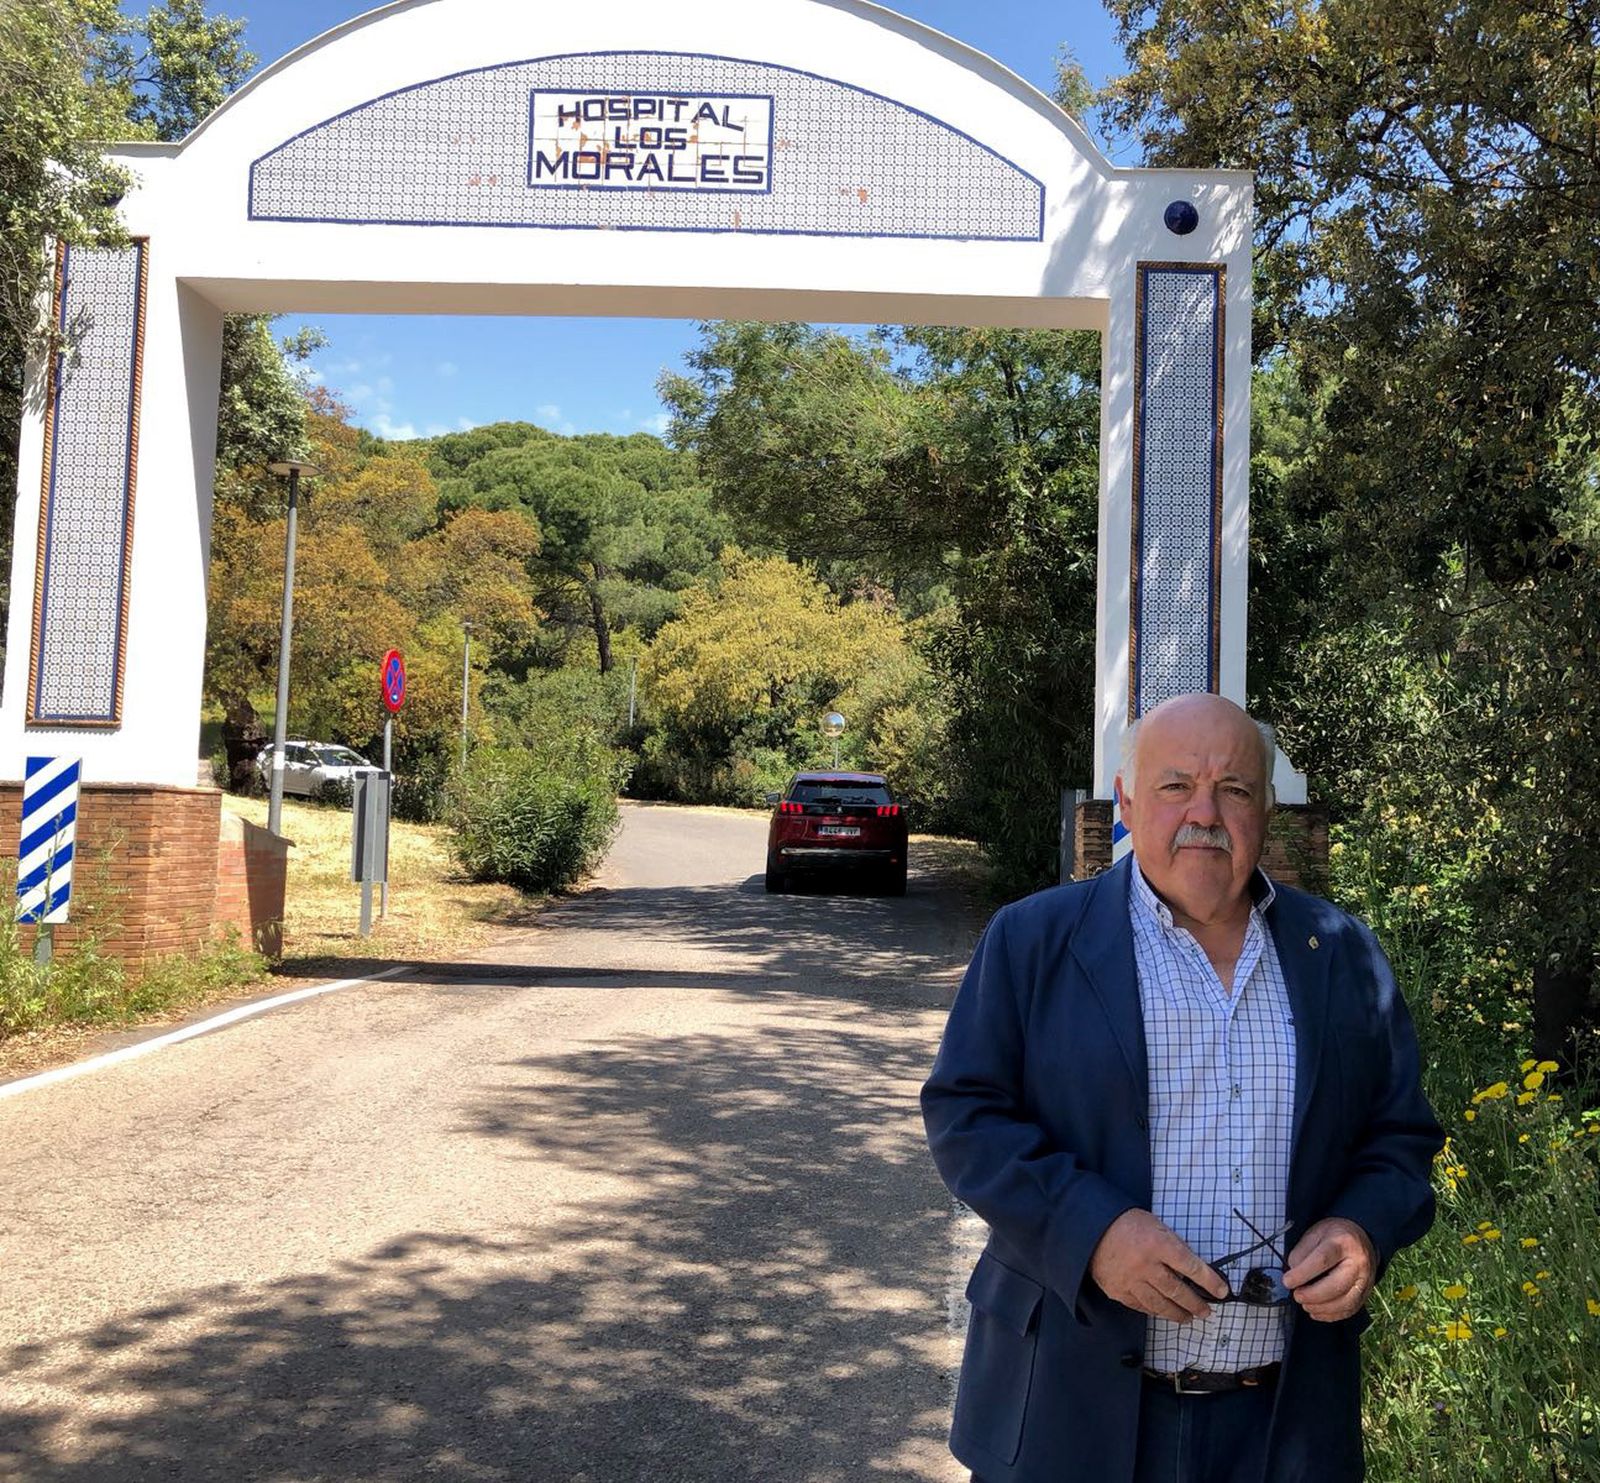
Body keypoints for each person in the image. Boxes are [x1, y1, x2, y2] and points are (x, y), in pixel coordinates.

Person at [922, 693, 1443, 1483]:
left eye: (1234, 788)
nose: (1205, 812)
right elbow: (965, 1113)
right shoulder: (1034, 940)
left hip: (1282, 1427)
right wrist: (1091, 1231)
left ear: (1266, 808)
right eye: (1175, 786)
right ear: (1127, 801)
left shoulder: (1339, 953)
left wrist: (1362, 1230)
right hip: (1069, 1407)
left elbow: (1398, 1138)